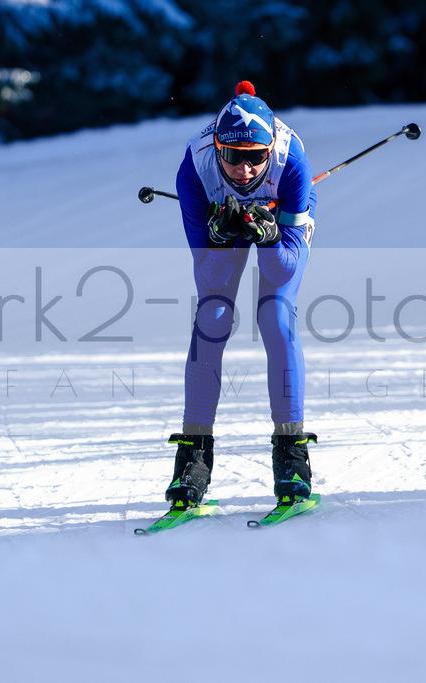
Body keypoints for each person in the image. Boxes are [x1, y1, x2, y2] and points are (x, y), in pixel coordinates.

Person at [164, 81, 317, 509]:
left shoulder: (292, 165)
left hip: (279, 221)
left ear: (270, 151)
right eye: (233, 156)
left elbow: (282, 269)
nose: (245, 170)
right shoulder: (194, 171)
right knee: (211, 318)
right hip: (221, 217)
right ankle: (193, 459)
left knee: (276, 315)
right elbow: (208, 279)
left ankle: (292, 456)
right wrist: (217, 238)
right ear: (217, 149)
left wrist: (270, 238)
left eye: (256, 158)